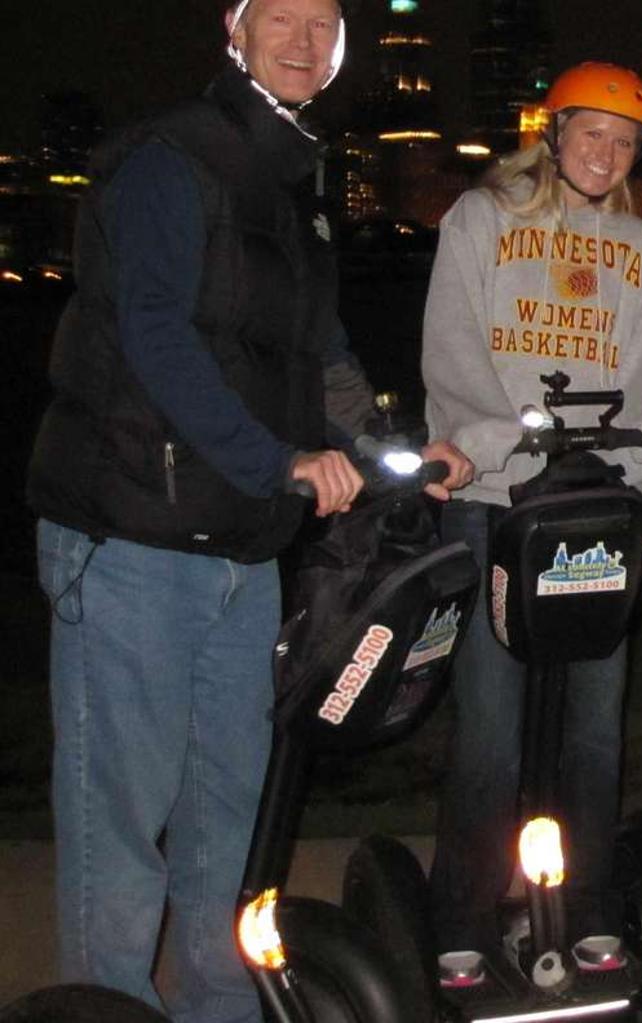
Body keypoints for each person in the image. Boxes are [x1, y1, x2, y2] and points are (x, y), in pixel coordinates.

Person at [26, 1, 473, 1019]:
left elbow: (318, 355)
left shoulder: (290, 178)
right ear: (235, 30)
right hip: (132, 530)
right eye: (280, 16)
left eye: (323, 22)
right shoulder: (168, 159)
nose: (304, 39)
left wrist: (389, 452)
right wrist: (277, 461)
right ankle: (104, 1007)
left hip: (240, 545)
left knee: (230, 809)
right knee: (123, 823)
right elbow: (155, 335)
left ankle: (220, 1009)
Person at [421, 61, 642, 986]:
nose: (607, 153)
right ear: (552, 130)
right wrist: (497, 436)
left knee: (593, 724)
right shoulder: (482, 219)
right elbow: (455, 350)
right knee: (491, 729)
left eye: (624, 143)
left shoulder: (639, 247)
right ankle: (461, 912)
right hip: (495, 504)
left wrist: (638, 446)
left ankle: (586, 905)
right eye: (593, 133)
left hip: (593, 505)